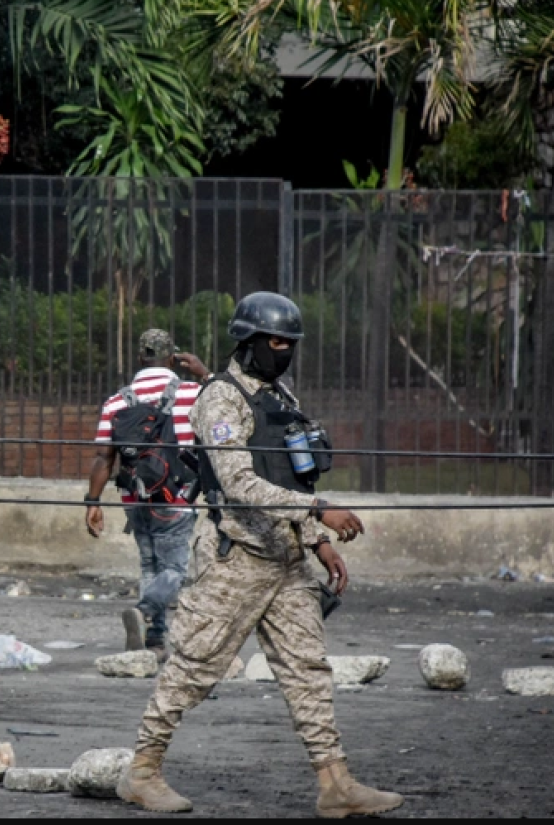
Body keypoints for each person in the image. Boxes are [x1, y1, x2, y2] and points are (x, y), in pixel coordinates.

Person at [116, 292, 403, 818]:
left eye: (291, 344)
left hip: (287, 561)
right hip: (236, 559)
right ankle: (142, 773)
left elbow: (291, 472)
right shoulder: (221, 400)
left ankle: (335, 782)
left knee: (306, 669)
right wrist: (320, 508)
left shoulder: (280, 397)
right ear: (248, 342)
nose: (284, 351)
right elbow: (240, 483)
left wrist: (317, 540)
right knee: (193, 668)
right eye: (276, 342)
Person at [85, 330, 210, 661]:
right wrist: (205, 373)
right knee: (176, 570)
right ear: (173, 358)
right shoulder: (193, 393)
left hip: (135, 499)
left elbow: (103, 458)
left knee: (150, 567)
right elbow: (231, 404)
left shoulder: (117, 401)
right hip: (176, 498)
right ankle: (144, 611)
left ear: (140, 359)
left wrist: (93, 503)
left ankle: (153, 642)